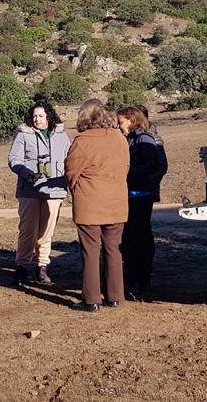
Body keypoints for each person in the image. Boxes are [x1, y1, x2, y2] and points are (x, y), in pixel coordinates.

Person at [65, 99, 129, 312]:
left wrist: (76, 189)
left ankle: (91, 300)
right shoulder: (119, 138)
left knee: (90, 250)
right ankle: (115, 296)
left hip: (89, 203)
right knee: (113, 248)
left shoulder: (82, 140)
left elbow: (70, 172)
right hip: (117, 202)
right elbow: (125, 167)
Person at [7, 101, 71, 286]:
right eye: (35, 116)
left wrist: (66, 171)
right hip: (30, 190)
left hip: (54, 189)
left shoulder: (62, 135)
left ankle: (42, 266)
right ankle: (22, 266)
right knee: (28, 230)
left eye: (41, 116)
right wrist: (27, 173)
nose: (37, 119)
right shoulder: (23, 135)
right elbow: (13, 159)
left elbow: (70, 157)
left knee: (46, 231)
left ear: (49, 117)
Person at [117, 106, 159, 297]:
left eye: (121, 122)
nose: (119, 126)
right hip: (127, 195)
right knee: (127, 239)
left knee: (139, 238)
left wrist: (128, 172)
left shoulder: (145, 139)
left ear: (132, 121)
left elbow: (153, 165)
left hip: (140, 195)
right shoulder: (127, 139)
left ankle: (143, 280)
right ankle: (131, 278)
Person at [135, 105, 168, 203]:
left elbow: (162, 165)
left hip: (146, 189)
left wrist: (151, 183)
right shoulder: (131, 137)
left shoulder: (152, 137)